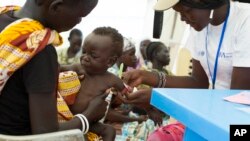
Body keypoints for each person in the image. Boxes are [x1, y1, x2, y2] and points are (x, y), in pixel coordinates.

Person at [120, 0, 250, 140]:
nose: (182, 18)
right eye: (179, 13)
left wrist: (159, 97)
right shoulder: (200, 27)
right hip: (217, 116)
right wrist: (146, 77)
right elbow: (197, 83)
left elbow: (236, 98)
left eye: (186, 11)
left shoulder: (245, 20)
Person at [0, 0, 108, 136]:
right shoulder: (39, 48)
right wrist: (89, 115)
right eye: (81, 15)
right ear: (56, 7)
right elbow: (46, 134)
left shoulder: (4, 17)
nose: (79, 21)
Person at [59, 27, 146, 141]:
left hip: (92, 121)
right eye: (84, 51)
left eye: (93, 56)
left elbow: (129, 94)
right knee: (81, 136)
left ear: (110, 61)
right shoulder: (79, 68)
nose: (85, 57)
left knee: (110, 131)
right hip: (69, 119)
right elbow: (59, 68)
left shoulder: (112, 79)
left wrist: (145, 106)